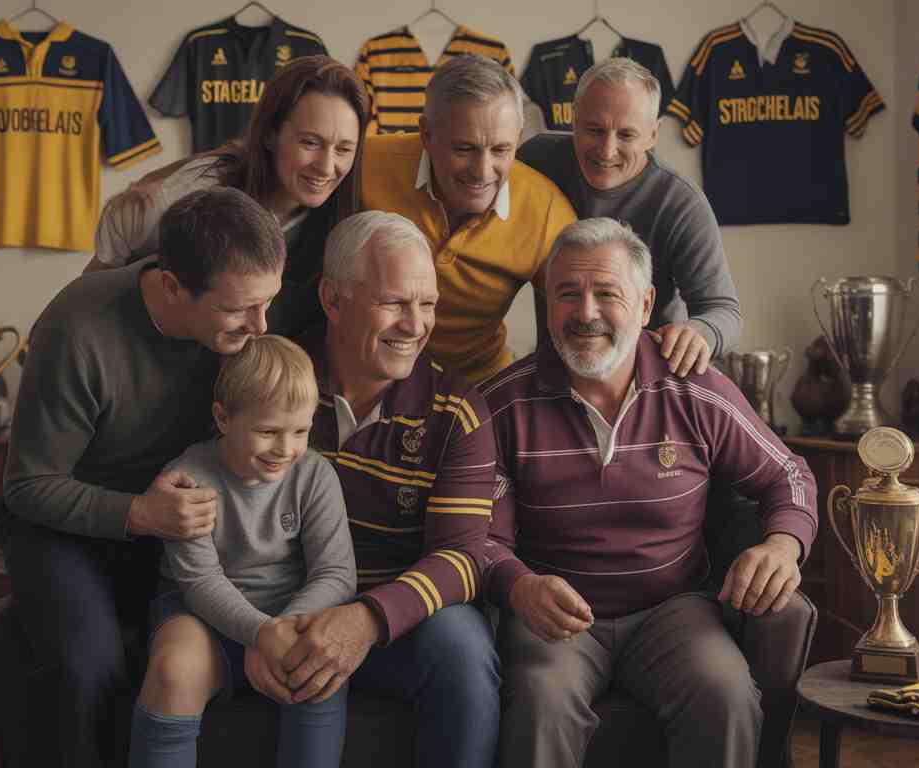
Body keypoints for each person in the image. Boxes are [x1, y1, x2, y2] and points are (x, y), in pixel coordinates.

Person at [480, 218, 817, 768]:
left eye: (607, 293)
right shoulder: (500, 405)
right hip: (556, 617)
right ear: (546, 303)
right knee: (541, 703)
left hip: (674, 610)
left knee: (725, 694)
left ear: (645, 303)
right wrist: (519, 587)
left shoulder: (695, 387)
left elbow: (789, 475)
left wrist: (782, 545)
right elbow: (478, 536)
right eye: (568, 292)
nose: (585, 312)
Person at [2, 186, 286, 768]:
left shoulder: (242, 326)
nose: (261, 326)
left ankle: (10, 629)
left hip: (172, 529)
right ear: (172, 286)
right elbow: (28, 486)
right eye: (239, 310)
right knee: (93, 665)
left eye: (268, 303)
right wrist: (139, 513)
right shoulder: (77, 328)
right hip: (64, 527)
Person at [280, 211, 500, 767]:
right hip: (281, 604)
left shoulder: (457, 410)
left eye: (427, 304)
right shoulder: (273, 381)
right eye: (395, 302)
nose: (416, 324)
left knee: (463, 649)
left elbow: (463, 557)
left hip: (399, 618)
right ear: (333, 300)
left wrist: (367, 619)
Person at [130, 335, 356, 768]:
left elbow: (336, 573)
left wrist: (280, 631)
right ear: (223, 417)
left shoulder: (315, 474)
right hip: (198, 614)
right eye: (268, 431)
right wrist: (260, 633)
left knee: (317, 670)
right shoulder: (187, 479)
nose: (285, 449)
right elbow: (200, 581)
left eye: (301, 431)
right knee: (174, 669)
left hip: (293, 612)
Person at [84, 55, 369, 341]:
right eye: (310, 142)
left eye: (344, 150)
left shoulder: (340, 220)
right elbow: (87, 295)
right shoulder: (187, 194)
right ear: (270, 133)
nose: (326, 166)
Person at [358, 54, 577, 383]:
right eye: (464, 149)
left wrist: (683, 328)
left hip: (477, 385)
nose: (482, 171)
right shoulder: (364, 163)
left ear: (518, 137)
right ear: (427, 135)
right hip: (371, 375)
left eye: (501, 150)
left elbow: (586, 308)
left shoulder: (546, 211)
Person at [518, 58, 742, 378]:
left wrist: (700, 331)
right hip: (557, 370)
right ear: (573, 119)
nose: (607, 151)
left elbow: (724, 311)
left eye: (626, 135)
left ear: (653, 134)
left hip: (647, 376)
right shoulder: (536, 161)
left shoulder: (679, 203)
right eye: (594, 130)